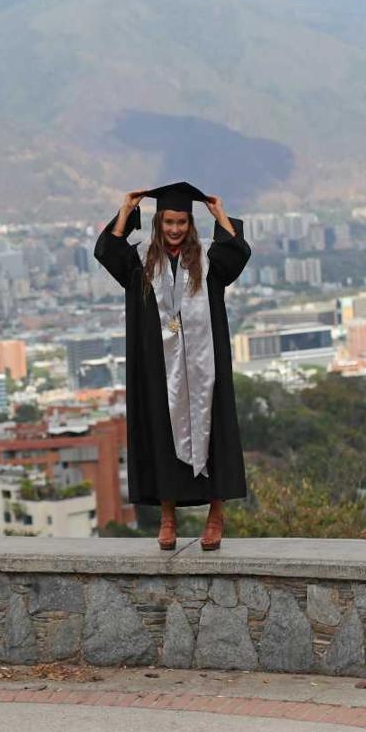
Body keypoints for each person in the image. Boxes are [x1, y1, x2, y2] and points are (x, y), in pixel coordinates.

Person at [94, 182, 251, 551]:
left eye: (181, 221)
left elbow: (238, 254)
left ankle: (215, 517)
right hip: (157, 368)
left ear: (190, 224)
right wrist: (125, 210)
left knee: (214, 432)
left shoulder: (209, 263)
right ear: (158, 223)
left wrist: (220, 214)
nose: (175, 228)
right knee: (163, 436)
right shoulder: (141, 261)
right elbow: (109, 253)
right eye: (168, 222)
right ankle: (168, 519)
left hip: (204, 366)